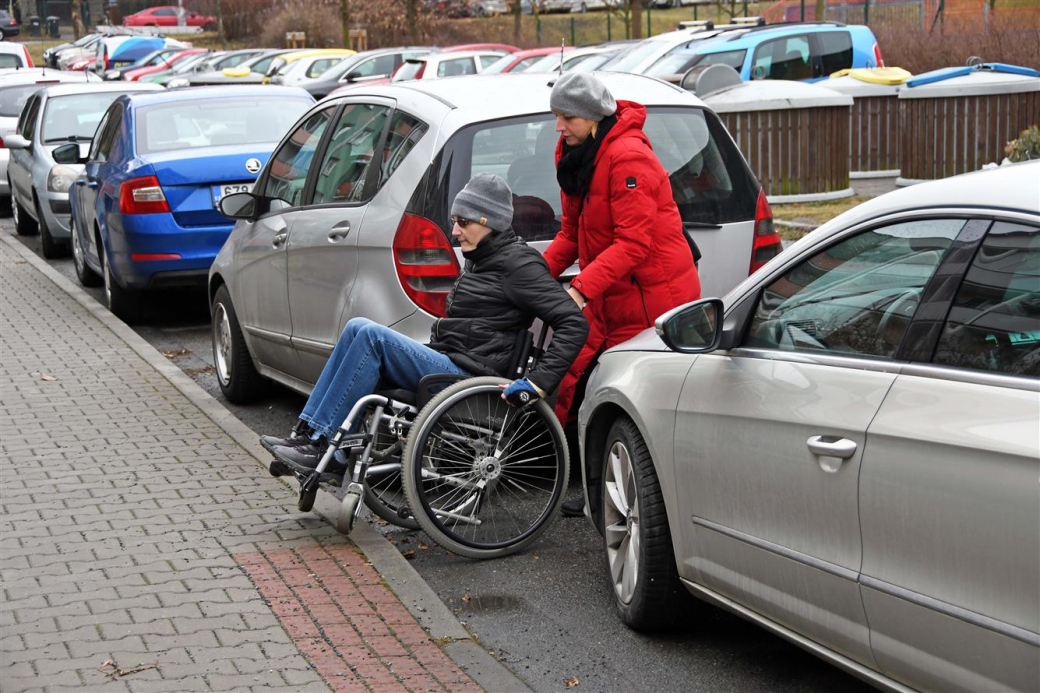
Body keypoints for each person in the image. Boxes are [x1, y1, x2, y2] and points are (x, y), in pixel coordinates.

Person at [262, 173, 589, 471]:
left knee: (371, 337)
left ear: (492, 222)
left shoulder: (518, 265)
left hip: (470, 379)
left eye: (463, 222)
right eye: (454, 221)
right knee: (356, 328)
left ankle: (325, 450)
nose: (455, 231)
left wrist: (536, 384)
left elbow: (573, 323)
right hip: (452, 361)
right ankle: (308, 436)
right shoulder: (482, 257)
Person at [542, 72, 701, 516]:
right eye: (556, 117)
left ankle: (643, 500)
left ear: (593, 118)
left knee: (631, 399)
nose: (559, 127)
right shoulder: (576, 154)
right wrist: (533, 278)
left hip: (652, 300)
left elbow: (634, 245)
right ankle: (599, 493)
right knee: (582, 381)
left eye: (567, 118)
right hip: (611, 292)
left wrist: (578, 289)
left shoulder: (629, 158)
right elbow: (571, 233)